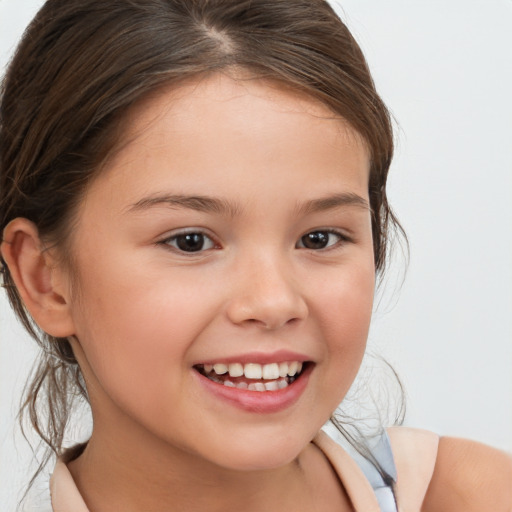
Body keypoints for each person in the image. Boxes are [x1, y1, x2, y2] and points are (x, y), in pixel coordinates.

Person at [0, 1, 510, 510]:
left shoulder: (470, 496)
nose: (273, 302)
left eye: (319, 238)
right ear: (44, 277)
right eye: (190, 241)